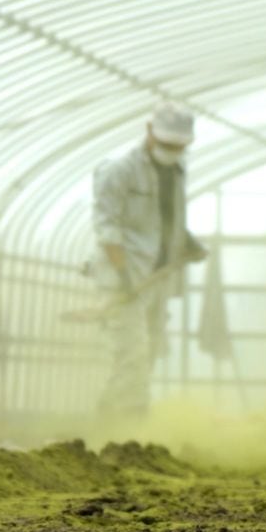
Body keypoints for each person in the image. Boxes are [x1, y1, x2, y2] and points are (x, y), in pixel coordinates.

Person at [90, 101, 207, 417]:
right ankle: (130, 424)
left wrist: (189, 242)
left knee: (151, 349)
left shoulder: (176, 170)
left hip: (156, 278)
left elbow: (167, 219)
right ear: (150, 132)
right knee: (133, 352)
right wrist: (123, 277)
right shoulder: (118, 169)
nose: (172, 151)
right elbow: (107, 228)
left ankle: (108, 417)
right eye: (167, 144)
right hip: (124, 278)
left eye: (179, 146)